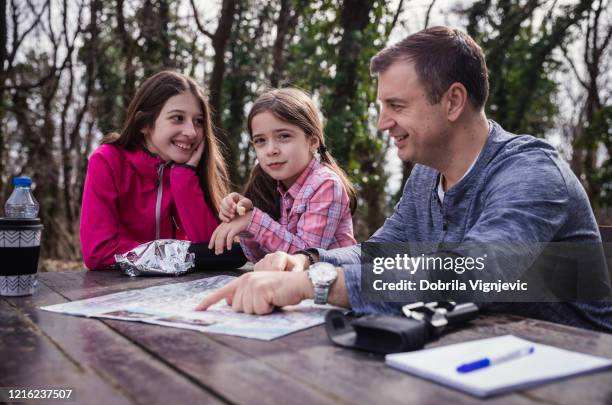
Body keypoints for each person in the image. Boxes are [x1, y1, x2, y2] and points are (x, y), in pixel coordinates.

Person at [195, 26, 612, 331]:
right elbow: (380, 252)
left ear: (452, 101)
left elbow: (474, 271)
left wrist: (312, 284)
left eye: (396, 105)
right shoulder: (425, 177)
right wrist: (308, 260)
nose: (381, 123)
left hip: (573, 365)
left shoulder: (531, 172)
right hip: (478, 350)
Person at [80, 70, 230, 270]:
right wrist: (175, 256)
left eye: (198, 121)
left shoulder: (186, 172)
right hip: (117, 290)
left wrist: (183, 179)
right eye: (177, 118)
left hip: (176, 293)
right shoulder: (107, 161)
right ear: (144, 124)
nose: (192, 132)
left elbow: (214, 250)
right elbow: (98, 251)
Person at [207, 88, 357, 261]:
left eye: (284, 136)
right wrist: (245, 224)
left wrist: (254, 221)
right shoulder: (274, 186)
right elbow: (260, 259)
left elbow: (305, 258)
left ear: (313, 141)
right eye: (260, 141)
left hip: (333, 284)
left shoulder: (326, 185)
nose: (271, 150)